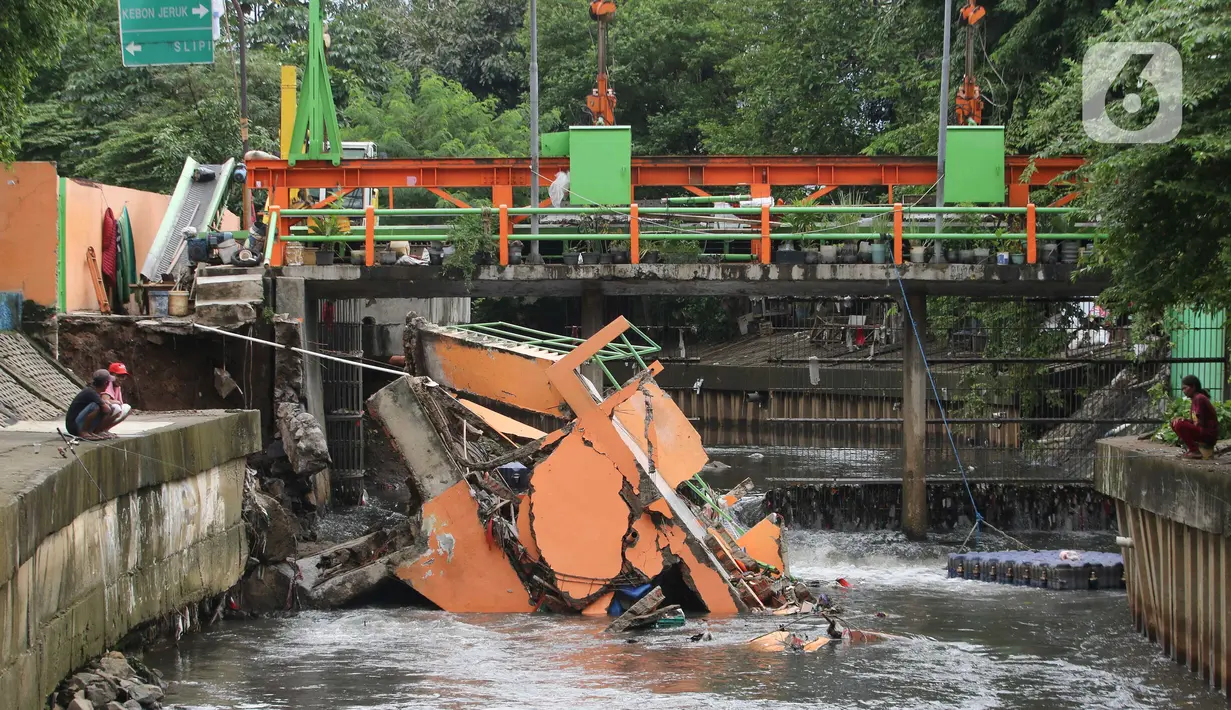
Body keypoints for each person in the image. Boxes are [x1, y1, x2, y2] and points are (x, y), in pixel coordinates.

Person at [1171, 374, 1219, 459]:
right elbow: (1195, 421)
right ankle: (1192, 449)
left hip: (1208, 434)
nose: (1183, 391)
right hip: (1203, 431)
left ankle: (1194, 451)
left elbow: (1199, 423)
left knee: (1179, 424)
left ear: (1193, 387)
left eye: (1185, 388)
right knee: (1174, 422)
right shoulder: (1195, 399)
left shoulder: (1199, 398)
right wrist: (1184, 420)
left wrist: (1184, 424)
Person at [65, 370, 118, 440]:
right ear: (106, 383)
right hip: (73, 426)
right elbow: (107, 409)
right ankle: (83, 432)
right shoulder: (91, 392)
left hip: (76, 424)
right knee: (96, 406)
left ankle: (94, 431)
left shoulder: (94, 391)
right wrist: (106, 404)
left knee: (104, 407)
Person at [103, 362, 133, 429]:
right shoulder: (107, 384)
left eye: (123, 377)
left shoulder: (117, 386)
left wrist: (118, 403)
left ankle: (106, 429)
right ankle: (99, 430)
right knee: (116, 408)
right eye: (119, 376)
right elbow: (104, 400)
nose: (121, 379)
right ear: (111, 376)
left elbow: (121, 404)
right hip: (98, 413)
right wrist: (117, 402)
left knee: (127, 408)